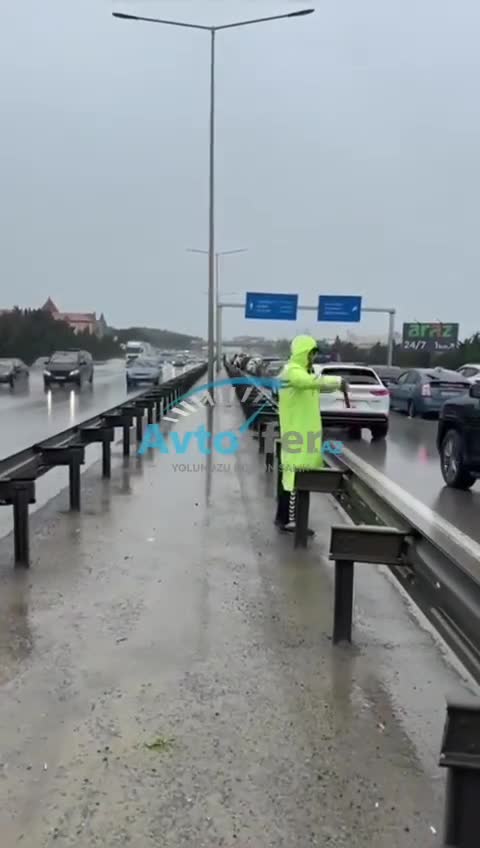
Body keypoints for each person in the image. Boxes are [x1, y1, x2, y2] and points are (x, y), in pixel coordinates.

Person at [275, 335, 346, 533]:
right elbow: (308, 382)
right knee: (294, 477)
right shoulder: (293, 372)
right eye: (312, 354)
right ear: (304, 353)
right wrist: (338, 381)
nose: (314, 358)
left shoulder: (303, 372)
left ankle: (287, 519)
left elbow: (311, 385)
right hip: (297, 434)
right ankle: (290, 521)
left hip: (304, 435)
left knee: (296, 476)